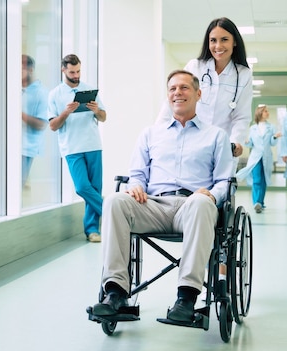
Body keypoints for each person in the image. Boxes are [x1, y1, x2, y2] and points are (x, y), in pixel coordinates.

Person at [91, 70, 233, 322]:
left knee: (201, 203)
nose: (178, 92)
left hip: (193, 206)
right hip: (153, 205)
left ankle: (186, 298)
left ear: (198, 94)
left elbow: (224, 181)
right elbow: (136, 174)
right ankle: (115, 292)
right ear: (168, 96)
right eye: (172, 89)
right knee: (114, 201)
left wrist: (211, 194)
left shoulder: (216, 136)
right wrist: (135, 185)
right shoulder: (150, 134)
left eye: (184, 88)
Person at [157, 17, 252, 162]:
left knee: (221, 183)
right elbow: (173, 103)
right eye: (213, 40)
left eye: (224, 39)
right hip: (191, 142)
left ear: (235, 42)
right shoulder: (195, 67)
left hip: (223, 146)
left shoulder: (243, 74)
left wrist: (236, 141)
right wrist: (158, 133)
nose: (218, 46)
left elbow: (242, 116)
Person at [48, 54, 107, 243]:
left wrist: (96, 110)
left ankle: (92, 230)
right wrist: (66, 112)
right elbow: (53, 126)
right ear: (63, 70)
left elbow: (104, 117)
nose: (76, 75)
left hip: (93, 144)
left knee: (95, 189)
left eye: (78, 71)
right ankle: (112, 212)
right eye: (72, 72)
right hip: (71, 147)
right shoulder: (55, 94)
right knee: (82, 187)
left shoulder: (89, 89)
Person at [235, 105, 281, 213]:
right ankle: (256, 202)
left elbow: (272, 143)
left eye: (267, 111)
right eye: (265, 111)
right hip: (256, 157)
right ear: (260, 113)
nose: (267, 113)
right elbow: (251, 144)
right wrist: (247, 142)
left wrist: (275, 137)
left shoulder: (271, 127)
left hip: (267, 156)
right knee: (257, 180)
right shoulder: (252, 128)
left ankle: (261, 202)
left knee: (264, 180)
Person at [22, 54, 48, 188]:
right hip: (8, 147)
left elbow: (41, 124)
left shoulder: (41, 93)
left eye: (21, 67)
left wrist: (18, 114)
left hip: (26, 148)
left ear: (30, 70)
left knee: (15, 187)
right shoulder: (12, 89)